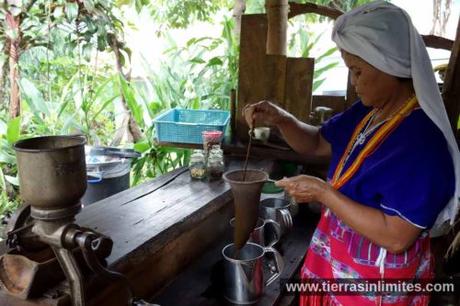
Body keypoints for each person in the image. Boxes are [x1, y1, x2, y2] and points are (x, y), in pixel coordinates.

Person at [243, 1, 459, 305]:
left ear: (390, 66)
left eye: (357, 71)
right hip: (338, 258)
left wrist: (323, 192)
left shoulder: (422, 142)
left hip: (375, 283)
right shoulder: (369, 112)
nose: (353, 82)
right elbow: (317, 143)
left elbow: (396, 237)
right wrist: (282, 119)